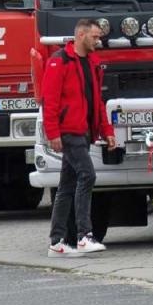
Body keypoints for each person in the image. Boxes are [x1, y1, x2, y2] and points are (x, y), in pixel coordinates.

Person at [42, 19, 117, 256]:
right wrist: (52, 132)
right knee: (87, 175)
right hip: (70, 131)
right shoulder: (59, 61)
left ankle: (57, 242)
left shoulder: (92, 63)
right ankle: (84, 236)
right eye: (95, 37)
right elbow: (50, 100)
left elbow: (97, 101)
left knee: (66, 186)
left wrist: (107, 131)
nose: (99, 41)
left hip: (84, 131)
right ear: (81, 35)